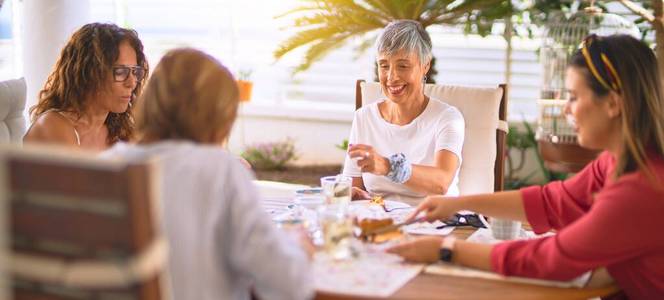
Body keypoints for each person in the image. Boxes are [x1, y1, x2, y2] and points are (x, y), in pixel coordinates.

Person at [388, 34, 664, 299]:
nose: (566, 109)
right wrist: (458, 203)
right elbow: (553, 202)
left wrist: (445, 249)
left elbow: (553, 259)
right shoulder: (617, 162)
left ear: (613, 104)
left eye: (573, 97)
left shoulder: (641, 189)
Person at [102, 48, 313, 300]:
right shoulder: (219, 170)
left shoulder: (106, 165)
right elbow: (289, 286)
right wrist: (301, 250)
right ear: (218, 116)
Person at [343, 20, 464, 206]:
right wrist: (348, 194)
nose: (392, 77)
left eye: (403, 66)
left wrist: (387, 166)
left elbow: (442, 182)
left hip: (435, 223)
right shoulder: (364, 118)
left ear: (425, 66)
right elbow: (353, 187)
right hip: (380, 223)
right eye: (384, 66)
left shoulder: (447, 118)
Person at [24, 23, 148, 151]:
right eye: (121, 72)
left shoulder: (119, 132)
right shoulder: (53, 125)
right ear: (90, 72)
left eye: (135, 72)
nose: (132, 83)